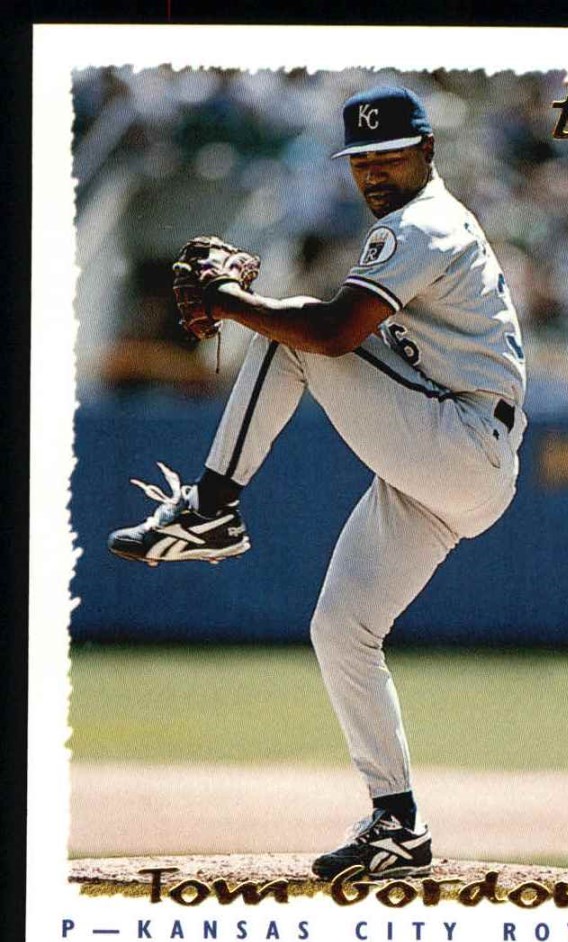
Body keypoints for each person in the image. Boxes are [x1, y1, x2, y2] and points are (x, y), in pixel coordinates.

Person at [108, 85, 527, 880]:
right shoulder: (414, 226)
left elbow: (332, 334)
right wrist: (245, 306)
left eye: (389, 155)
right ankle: (397, 824)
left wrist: (231, 301)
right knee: (341, 630)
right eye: (361, 160)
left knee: (294, 331)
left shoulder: (424, 223)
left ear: (427, 150)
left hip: (461, 441)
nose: (373, 172)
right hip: (447, 462)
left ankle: (210, 509)